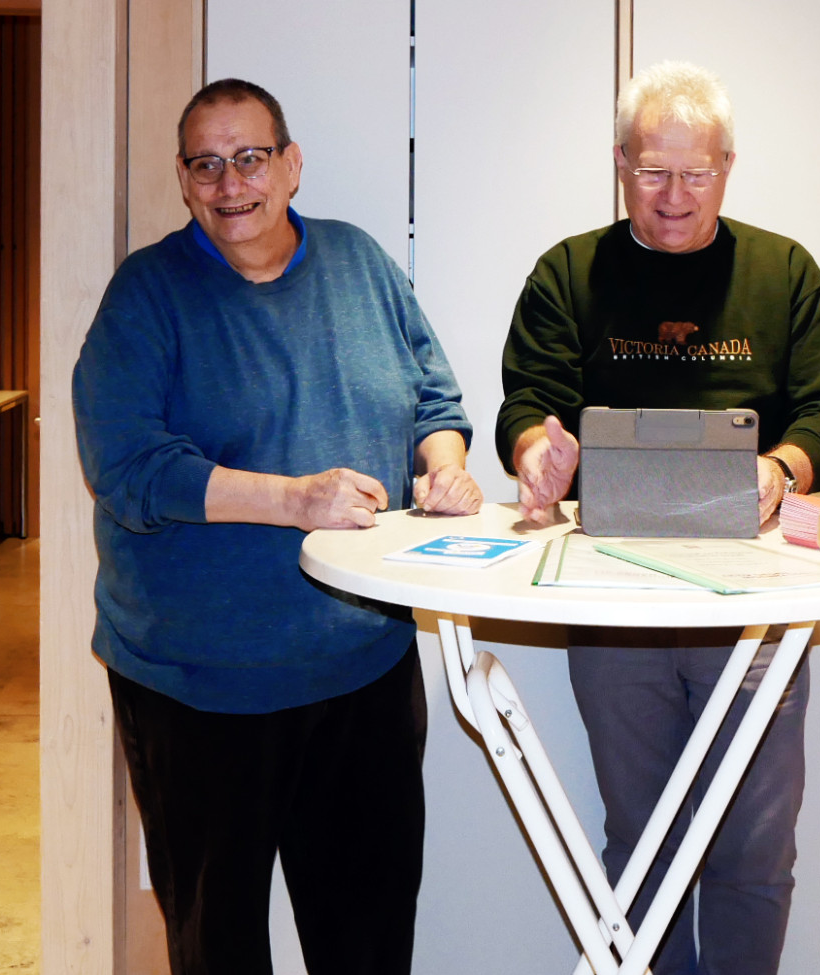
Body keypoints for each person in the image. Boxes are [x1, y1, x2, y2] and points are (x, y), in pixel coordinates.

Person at [72, 78, 482, 975]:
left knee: (368, 941)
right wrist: (295, 501)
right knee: (217, 946)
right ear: (184, 179)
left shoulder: (360, 262)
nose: (231, 184)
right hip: (201, 687)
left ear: (292, 165)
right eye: (207, 165)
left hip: (363, 668)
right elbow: (128, 467)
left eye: (251, 158)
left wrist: (444, 464)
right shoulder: (146, 295)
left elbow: (433, 396)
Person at [496, 62, 820, 975]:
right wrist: (537, 453)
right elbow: (529, 400)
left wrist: (781, 467)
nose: (673, 196)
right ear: (620, 161)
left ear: (728, 165)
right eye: (653, 170)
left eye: (696, 173)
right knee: (643, 839)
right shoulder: (569, 272)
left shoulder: (782, 272)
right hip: (611, 604)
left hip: (757, 601)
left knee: (755, 851)